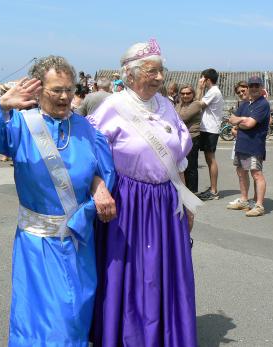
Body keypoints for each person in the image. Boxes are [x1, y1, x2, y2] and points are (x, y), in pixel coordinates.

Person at [0, 55, 115, 346]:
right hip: (36, 245)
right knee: (43, 320)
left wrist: (98, 186)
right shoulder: (20, 125)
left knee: (76, 315)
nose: (64, 97)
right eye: (56, 90)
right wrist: (2, 106)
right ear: (38, 90)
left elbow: (104, 170)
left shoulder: (86, 128)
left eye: (70, 90)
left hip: (77, 241)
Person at [88, 39, 202, 347]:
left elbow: (179, 158)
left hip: (166, 200)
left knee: (164, 273)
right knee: (131, 272)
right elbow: (88, 158)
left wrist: (186, 200)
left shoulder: (165, 106)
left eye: (161, 71)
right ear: (130, 74)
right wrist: (99, 190)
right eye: (152, 71)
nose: (160, 78)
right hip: (128, 202)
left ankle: (166, 335)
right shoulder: (112, 108)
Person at [227, 76, 270, 217]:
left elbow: (250, 124)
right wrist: (242, 120)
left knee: (256, 174)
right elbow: (231, 119)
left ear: (261, 87)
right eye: (252, 86)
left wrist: (240, 122)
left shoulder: (262, 104)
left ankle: (259, 205)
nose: (254, 88)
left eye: (257, 86)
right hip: (241, 145)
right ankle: (244, 200)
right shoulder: (245, 104)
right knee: (241, 172)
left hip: (254, 145)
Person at [196, 68, 225, 201]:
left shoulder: (213, 91)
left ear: (207, 79)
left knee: (210, 159)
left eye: (203, 78)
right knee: (209, 160)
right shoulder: (213, 92)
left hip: (210, 130)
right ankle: (213, 188)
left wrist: (199, 88)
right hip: (208, 129)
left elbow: (198, 104)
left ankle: (213, 191)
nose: (201, 81)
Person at [176, 84, 202, 193]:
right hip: (180, 138)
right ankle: (184, 191)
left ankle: (192, 192)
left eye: (188, 93)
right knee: (182, 166)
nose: (185, 95)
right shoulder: (179, 104)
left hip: (192, 137)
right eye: (183, 93)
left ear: (193, 94)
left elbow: (182, 117)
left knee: (191, 166)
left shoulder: (196, 104)